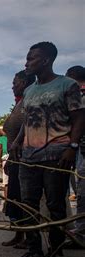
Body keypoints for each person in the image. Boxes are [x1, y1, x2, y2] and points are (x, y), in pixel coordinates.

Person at [11, 42, 84, 257]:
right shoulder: (29, 91)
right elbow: (27, 120)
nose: (27, 62)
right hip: (29, 156)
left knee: (55, 205)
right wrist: (17, 141)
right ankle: (34, 250)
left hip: (56, 154)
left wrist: (72, 147)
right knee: (28, 204)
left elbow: (79, 118)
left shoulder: (67, 84)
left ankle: (56, 251)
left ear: (46, 60)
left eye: (31, 58)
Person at [1, 70, 35, 248]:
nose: (13, 86)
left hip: (24, 158)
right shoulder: (18, 104)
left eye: (16, 82)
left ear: (25, 82)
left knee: (24, 198)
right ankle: (19, 234)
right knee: (14, 197)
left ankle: (29, 237)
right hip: (15, 158)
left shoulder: (28, 103)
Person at [65, 65, 85, 246]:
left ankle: (81, 234)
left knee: (82, 192)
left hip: (81, 151)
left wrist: (72, 145)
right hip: (79, 151)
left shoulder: (80, 96)